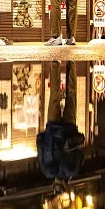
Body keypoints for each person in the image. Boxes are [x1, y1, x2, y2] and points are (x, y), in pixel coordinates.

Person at [37, 61, 86, 195]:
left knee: (69, 95)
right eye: (59, 184)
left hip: (66, 129)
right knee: (55, 95)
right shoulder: (49, 171)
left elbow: (81, 154)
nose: (57, 182)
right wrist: (42, 137)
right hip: (54, 129)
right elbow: (40, 149)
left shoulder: (71, 171)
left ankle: (69, 62)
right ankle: (58, 63)